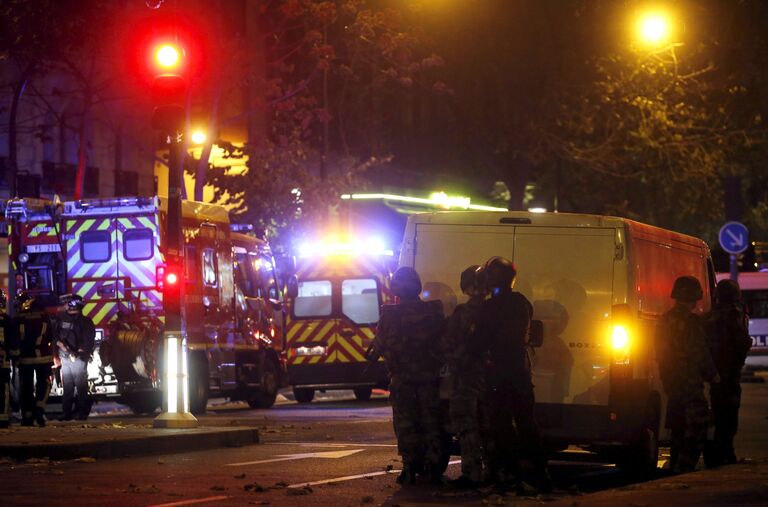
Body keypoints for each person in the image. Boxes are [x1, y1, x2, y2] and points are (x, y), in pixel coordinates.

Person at [471, 256, 549, 493]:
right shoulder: (522, 303)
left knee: (500, 426)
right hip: (519, 372)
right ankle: (538, 474)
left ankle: (506, 475)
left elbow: (478, 341)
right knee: (527, 423)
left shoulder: (489, 307)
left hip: (497, 374)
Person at [368, 267, 445, 484]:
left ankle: (410, 467)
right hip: (428, 377)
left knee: (405, 423)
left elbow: (380, 345)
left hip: (402, 378)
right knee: (430, 421)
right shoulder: (433, 312)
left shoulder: (390, 315)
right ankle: (433, 467)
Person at [655, 276, 720, 473]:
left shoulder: (664, 320)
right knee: (697, 425)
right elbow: (699, 352)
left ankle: (674, 465)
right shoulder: (691, 323)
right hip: (689, 380)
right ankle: (683, 468)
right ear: (694, 297)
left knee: (677, 426)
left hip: (671, 380)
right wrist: (713, 375)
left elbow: (659, 352)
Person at [443, 265, 489, 488]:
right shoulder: (496, 310)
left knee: (466, 424)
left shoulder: (463, 313)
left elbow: (448, 344)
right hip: (493, 379)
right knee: (491, 423)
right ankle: (495, 470)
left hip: (466, 377)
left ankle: (472, 472)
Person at [704, 279, 752, 466]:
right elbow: (741, 342)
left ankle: (716, 456)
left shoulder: (709, 317)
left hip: (713, 374)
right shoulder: (733, 315)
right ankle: (725, 455)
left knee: (716, 416)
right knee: (728, 419)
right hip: (729, 374)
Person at [54, 295, 95, 421]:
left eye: (67, 304)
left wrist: (79, 353)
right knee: (68, 387)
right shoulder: (61, 320)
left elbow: (87, 340)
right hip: (66, 357)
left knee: (81, 386)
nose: (64, 306)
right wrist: (61, 348)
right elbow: (55, 336)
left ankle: (82, 413)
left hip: (78, 358)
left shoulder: (84, 322)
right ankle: (66, 413)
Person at [16, 293, 54, 427]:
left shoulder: (19, 318)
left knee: (26, 386)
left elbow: (15, 338)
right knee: (44, 384)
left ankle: (28, 415)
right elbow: (50, 335)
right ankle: (39, 409)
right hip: (43, 356)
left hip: (25, 357)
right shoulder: (44, 317)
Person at [0, 289, 20, 429]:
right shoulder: (7, 320)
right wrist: (16, 357)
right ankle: (2, 418)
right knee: (3, 390)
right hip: (3, 363)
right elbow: (13, 343)